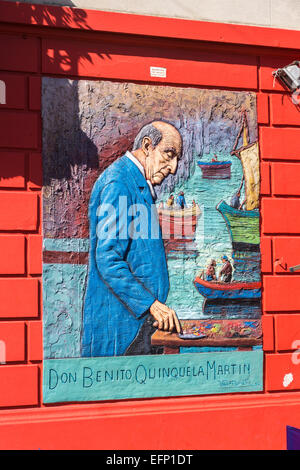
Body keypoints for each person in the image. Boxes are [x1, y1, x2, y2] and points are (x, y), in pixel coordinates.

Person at [81, 120, 183, 357]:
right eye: (169, 155)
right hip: (121, 332)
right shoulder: (119, 183)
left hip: (137, 326)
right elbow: (108, 259)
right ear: (147, 146)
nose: (174, 167)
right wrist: (152, 305)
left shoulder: (135, 183)